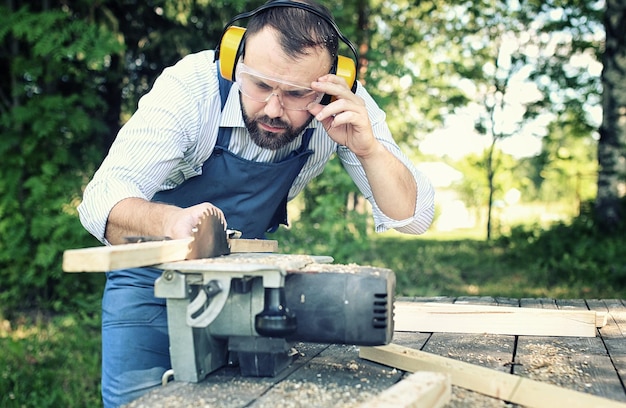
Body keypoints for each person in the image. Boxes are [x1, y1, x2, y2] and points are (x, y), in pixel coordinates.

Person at [77, 0, 435, 406]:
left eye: (297, 93)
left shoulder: (343, 104)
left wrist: (369, 151)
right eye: (261, 85)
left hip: (245, 288)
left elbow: (413, 218)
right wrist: (173, 222)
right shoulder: (191, 88)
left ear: (334, 80)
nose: (273, 109)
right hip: (151, 281)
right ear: (235, 60)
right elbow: (101, 201)